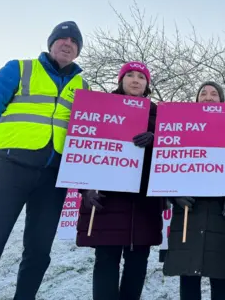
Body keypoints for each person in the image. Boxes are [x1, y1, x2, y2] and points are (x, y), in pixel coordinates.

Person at [0, 21, 89, 300]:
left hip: (54, 176)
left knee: (39, 252)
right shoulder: (19, 68)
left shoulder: (82, 85)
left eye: (73, 42)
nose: (67, 43)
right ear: (51, 43)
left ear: (77, 51)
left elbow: (88, 130)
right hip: (10, 170)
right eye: (62, 38)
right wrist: (2, 149)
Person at [75, 61, 164, 300]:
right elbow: (83, 149)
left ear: (147, 84)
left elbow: (175, 156)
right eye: (130, 75)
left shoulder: (160, 117)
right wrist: (84, 191)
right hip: (108, 201)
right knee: (106, 259)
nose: (136, 80)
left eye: (141, 77)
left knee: (138, 262)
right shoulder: (100, 109)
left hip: (144, 203)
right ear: (121, 80)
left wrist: (156, 140)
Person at [162, 81, 225, 300]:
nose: (208, 96)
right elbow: (167, 163)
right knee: (188, 273)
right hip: (188, 211)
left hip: (222, 211)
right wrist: (174, 194)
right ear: (196, 100)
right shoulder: (179, 128)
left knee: (221, 274)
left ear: (222, 100)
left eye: (214, 93)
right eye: (203, 93)